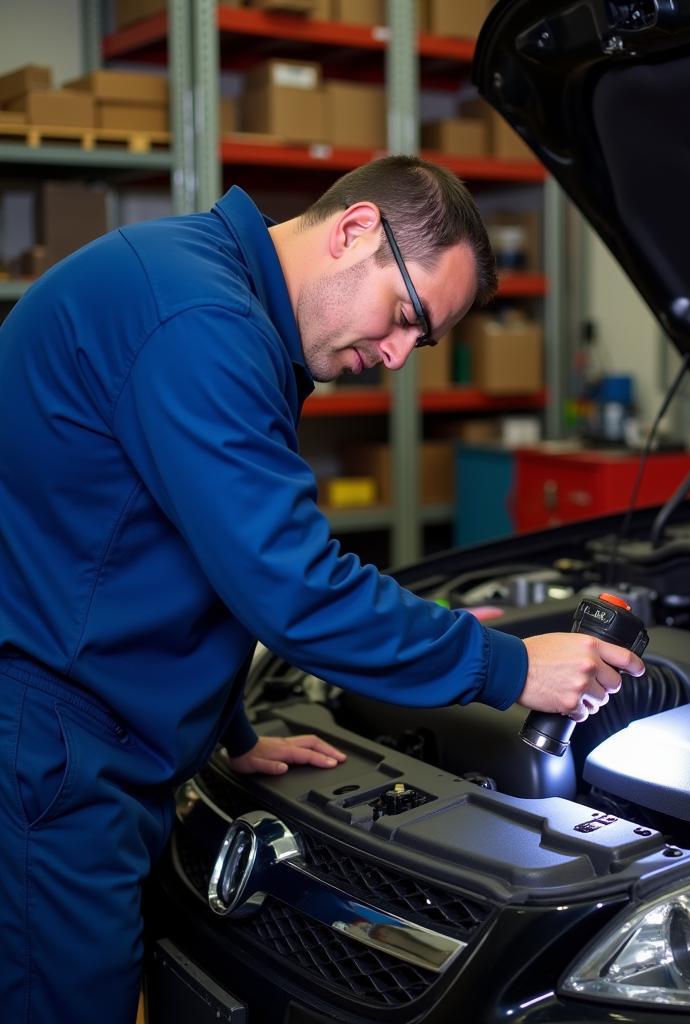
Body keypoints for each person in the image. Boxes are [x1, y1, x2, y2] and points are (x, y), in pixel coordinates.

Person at [0, 155, 645, 1022]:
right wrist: (512, 666)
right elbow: (293, 585)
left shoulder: (204, 288)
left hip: (85, 728)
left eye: (425, 341)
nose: (396, 356)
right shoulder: (201, 322)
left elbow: (166, 550)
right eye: (407, 318)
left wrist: (226, 731)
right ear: (355, 230)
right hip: (52, 754)